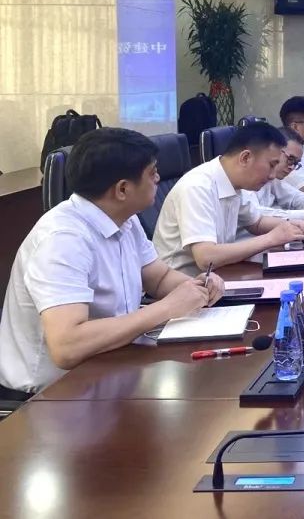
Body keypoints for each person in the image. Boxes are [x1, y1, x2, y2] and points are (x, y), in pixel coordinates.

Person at [0, 128, 224, 395]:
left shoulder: (125, 218)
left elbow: (159, 278)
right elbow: (67, 347)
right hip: (50, 394)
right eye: (152, 173)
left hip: (110, 365)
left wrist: (197, 287)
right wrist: (166, 308)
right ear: (122, 189)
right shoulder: (63, 239)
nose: (158, 178)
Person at [153, 122, 304, 276]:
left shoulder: (233, 182)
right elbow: (206, 257)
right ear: (245, 158)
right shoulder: (197, 187)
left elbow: (256, 222)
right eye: (271, 165)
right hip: (181, 289)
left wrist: (299, 226)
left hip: (217, 278)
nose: (273, 175)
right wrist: (271, 239)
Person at [252, 128, 304, 222]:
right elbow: (253, 214)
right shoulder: (247, 177)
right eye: (290, 159)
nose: (292, 167)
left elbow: (293, 196)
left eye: (296, 163)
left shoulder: (273, 177)